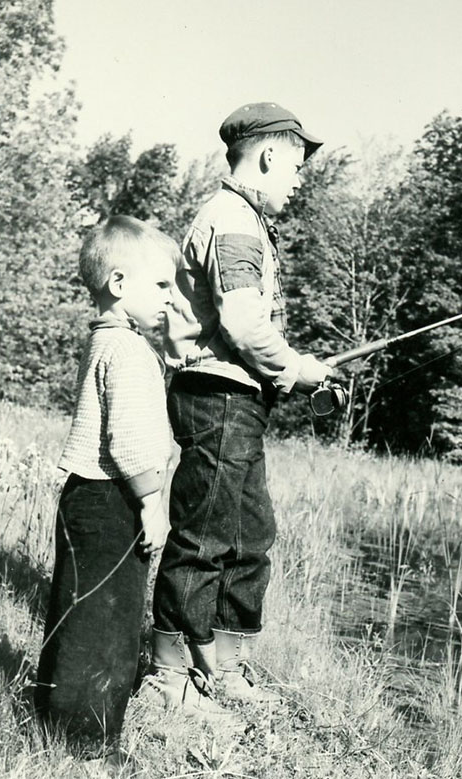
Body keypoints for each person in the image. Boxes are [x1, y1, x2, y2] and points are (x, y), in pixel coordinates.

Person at [147, 102, 332, 714]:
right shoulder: (232, 220)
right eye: (296, 168)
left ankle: (225, 664)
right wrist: (300, 369)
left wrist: (286, 371)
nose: (298, 181)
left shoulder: (241, 218)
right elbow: (243, 323)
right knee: (205, 535)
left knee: (251, 534)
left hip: (239, 399)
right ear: (270, 155)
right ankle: (169, 675)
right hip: (217, 397)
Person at [35, 215, 176, 759]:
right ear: (119, 284)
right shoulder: (129, 352)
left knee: (75, 607)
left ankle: (52, 714)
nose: (170, 298)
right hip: (115, 500)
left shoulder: (107, 341)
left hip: (84, 498)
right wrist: (151, 503)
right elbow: (133, 442)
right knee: (108, 622)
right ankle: (87, 742)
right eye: (161, 285)